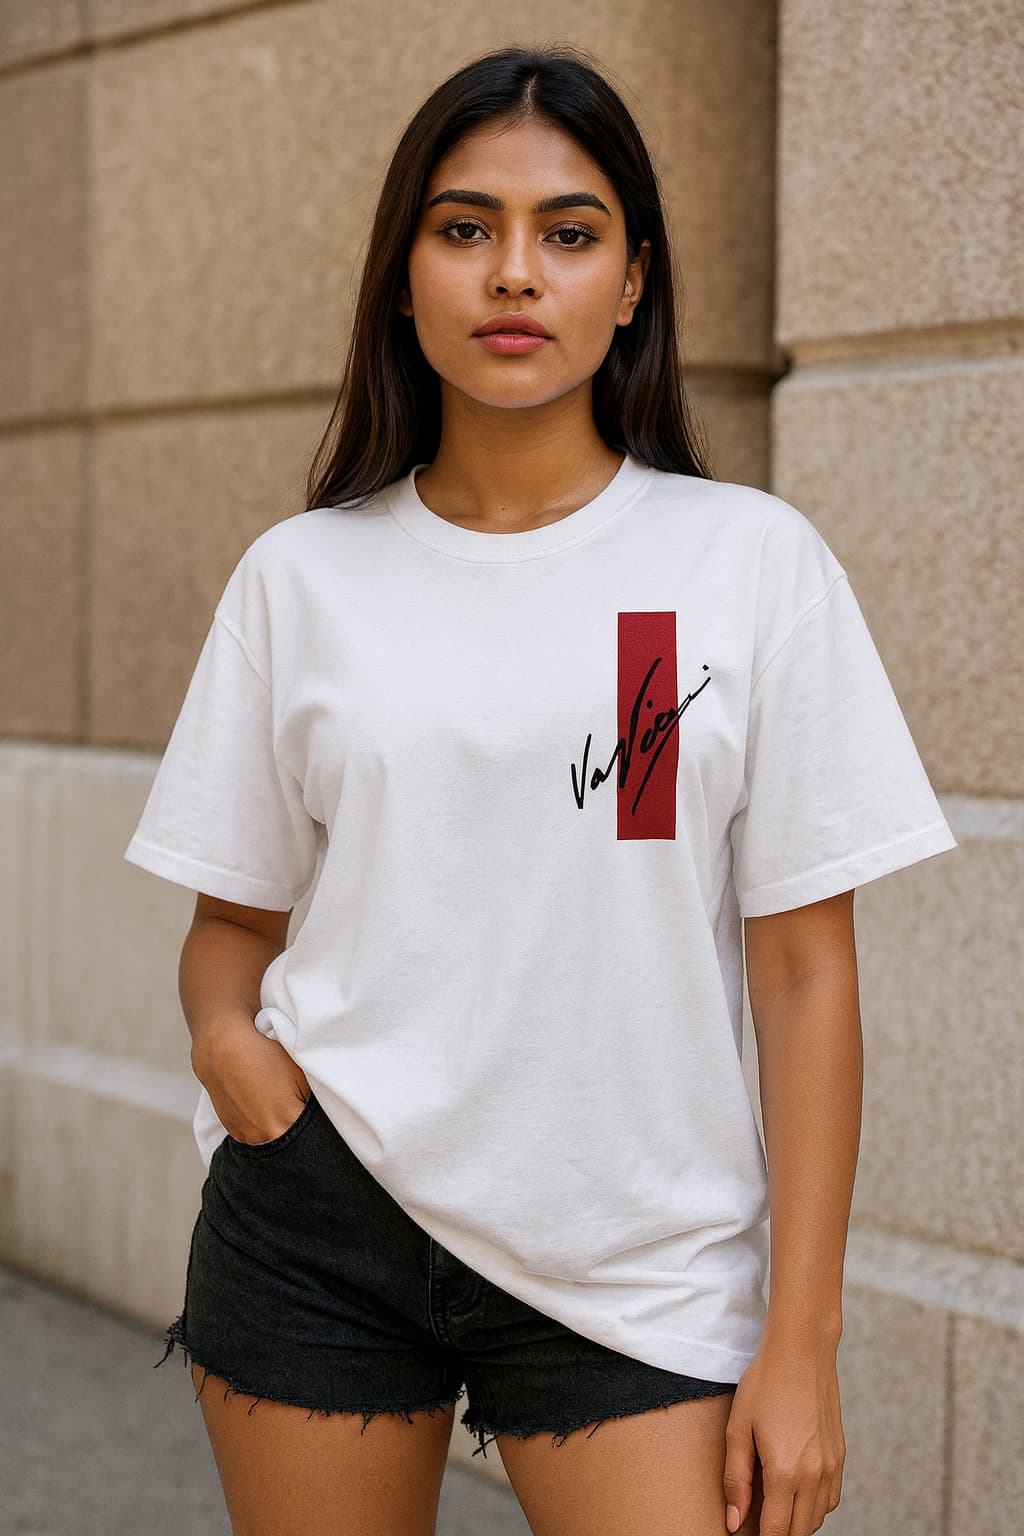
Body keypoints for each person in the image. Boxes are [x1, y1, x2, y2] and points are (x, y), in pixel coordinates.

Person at [124, 42, 958, 1536]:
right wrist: (229, 1057)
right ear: (404, 275)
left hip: (634, 1260)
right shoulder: (303, 577)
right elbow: (228, 927)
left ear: (632, 281)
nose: (516, 274)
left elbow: (801, 975)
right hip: (324, 1217)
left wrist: (804, 1343)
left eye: (568, 234)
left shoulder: (731, 567)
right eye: (466, 229)